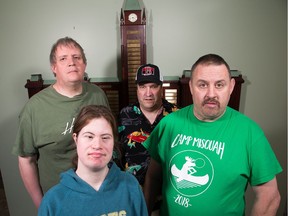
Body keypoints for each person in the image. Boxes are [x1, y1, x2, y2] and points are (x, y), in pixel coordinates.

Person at [143, 54, 282, 215]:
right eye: (202, 85)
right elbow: (153, 177)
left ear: (231, 87)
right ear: (191, 87)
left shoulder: (250, 133)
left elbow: (270, 196)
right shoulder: (169, 124)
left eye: (219, 85)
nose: (211, 93)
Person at [12, 37, 109, 208]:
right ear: (54, 67)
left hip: (99, 193)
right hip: (60, 200)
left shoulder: (97, 95)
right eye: (63, 58)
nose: (71, 63)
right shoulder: (34, 108)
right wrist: (41, 204)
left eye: (76, 57)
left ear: (84, 65)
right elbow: (26, 160)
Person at [38, 105, 148, 216]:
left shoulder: (130, 186)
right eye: (89, 137)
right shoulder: (53, 201)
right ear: (76, 139)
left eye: (105, 137)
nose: (97, 145)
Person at [118, 63, 179, 186]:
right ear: (137, 89)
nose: (148, 93)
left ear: (161, 88)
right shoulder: (125, 115)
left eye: (153, 87)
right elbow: (117, 153)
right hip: (133, 189)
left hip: (168, 189)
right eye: (143, 87)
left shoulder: (176, 116)